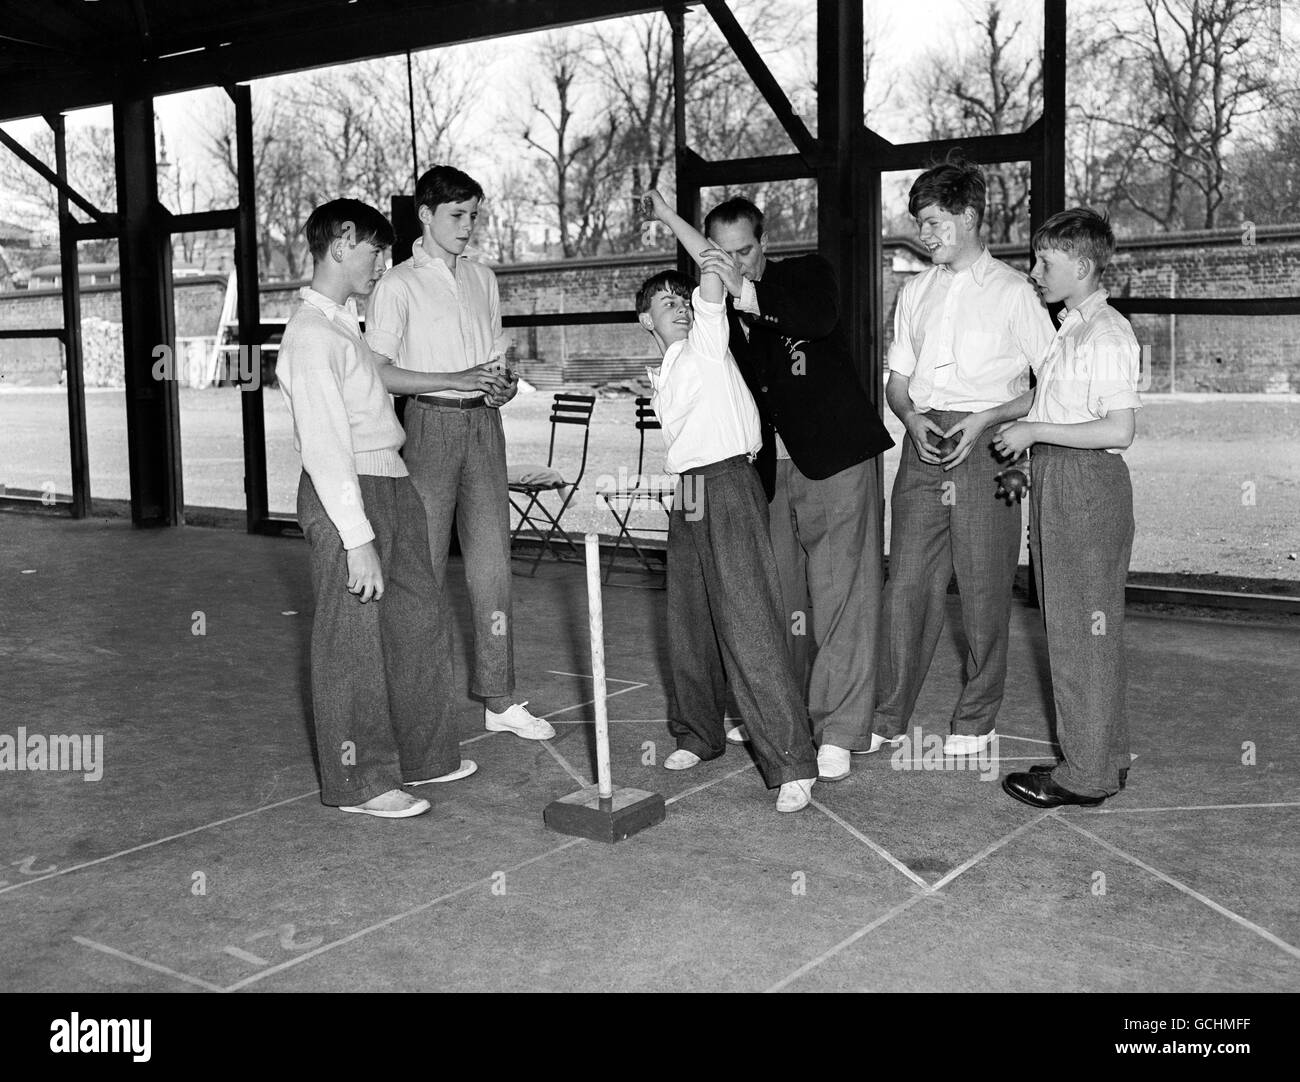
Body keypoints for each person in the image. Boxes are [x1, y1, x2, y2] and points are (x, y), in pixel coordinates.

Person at [277, 198, 475, 819]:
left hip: (392, 483)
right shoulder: (310, 335)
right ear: (340, 243)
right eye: (372, 250)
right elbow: (325, 444)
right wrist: (355, 537)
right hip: (348, 493)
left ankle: (424, 755)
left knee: (415, 623)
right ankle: (358, 782)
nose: (379, 263)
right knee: (351, 641)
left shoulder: (343, 325)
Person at [702, 197, 894, 783]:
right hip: (768, 471)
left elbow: (816, 320)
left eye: (745, 251)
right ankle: (783, 715)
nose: (736, 264)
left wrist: (743, 292)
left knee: (842, 597)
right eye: (722, 255)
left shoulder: (806, 275)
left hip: (836, 458)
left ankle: (839, 730)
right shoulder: (713, 304)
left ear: (764, 244)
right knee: (784, 604)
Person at [639, 190, 819, 813]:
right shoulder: (665, 370)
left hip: (727, 482)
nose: (680, 310)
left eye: (683, 300)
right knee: (689, 619)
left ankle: (794, 760)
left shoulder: (708, 337)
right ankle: (699, 733)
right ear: (647, 323)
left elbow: (713, 271)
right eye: (666, 305)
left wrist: (671, 220)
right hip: (687, 488)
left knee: (747, 615)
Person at [870, 159, 1054, 758]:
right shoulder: (914, 291)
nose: (924, 235)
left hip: (992, 449)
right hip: (923, 446)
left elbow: (1051, 385)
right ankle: (888, 714)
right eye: (920, 223)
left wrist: (989, 418)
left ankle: (976, 720)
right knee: (908, 588)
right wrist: (910, 416)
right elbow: (897, 381)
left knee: (983, 588)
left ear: (969, 217)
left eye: (933, 222)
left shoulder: (1013, 292)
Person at [365, 166, 554, 742]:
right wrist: (456, 377)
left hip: (485, 430)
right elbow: (378, 373)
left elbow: (494, 361)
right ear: (424, 214)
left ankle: (499, 697)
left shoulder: (484, 278)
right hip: (429, 427)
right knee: (417, 569)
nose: (468, 227)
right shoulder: (396, 285)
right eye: (457, 215)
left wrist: (501, 382)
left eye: (474, 215)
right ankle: (414, 699)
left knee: (492, 568)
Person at [995, 208, 1141, 807]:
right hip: (1063, 481)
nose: (1034, 272)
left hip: (1085, 486)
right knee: (1088, 629)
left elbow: (1119, 428)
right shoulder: (1074, 328)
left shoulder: (1104, 333)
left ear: (1082, 266)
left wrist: (1033, 432)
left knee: (1079, 632)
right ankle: (1104, 755)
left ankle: (1083, 776)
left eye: (1045, 263)